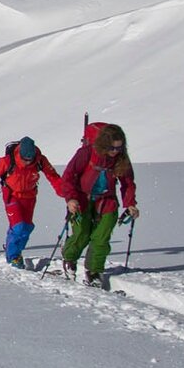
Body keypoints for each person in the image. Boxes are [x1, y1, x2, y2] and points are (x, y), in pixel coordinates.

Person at [61, 121, 139, 286]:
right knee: (82, 233)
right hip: (82, 199)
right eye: (112, 148)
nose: (115, 151)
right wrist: (71, 199)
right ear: (104, 144)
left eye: (119, 148)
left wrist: (130, 203)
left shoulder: (121, 159)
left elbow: (127, 182)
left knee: (101, 237)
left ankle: (94, 271)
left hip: (107, 200)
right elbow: (69, 176)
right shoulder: (86, 153)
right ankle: (69, 258)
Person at [0, 136, 68, 269]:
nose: (28, 162)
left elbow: (53, 176)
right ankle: (13, 257)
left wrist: (65, 192)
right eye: (25, 159)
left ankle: (12, 247)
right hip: (11, 195)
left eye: (30, 159)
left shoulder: (40, 160)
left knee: (27, 228)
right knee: (19, 227)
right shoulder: (8, 161)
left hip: (30, 196)